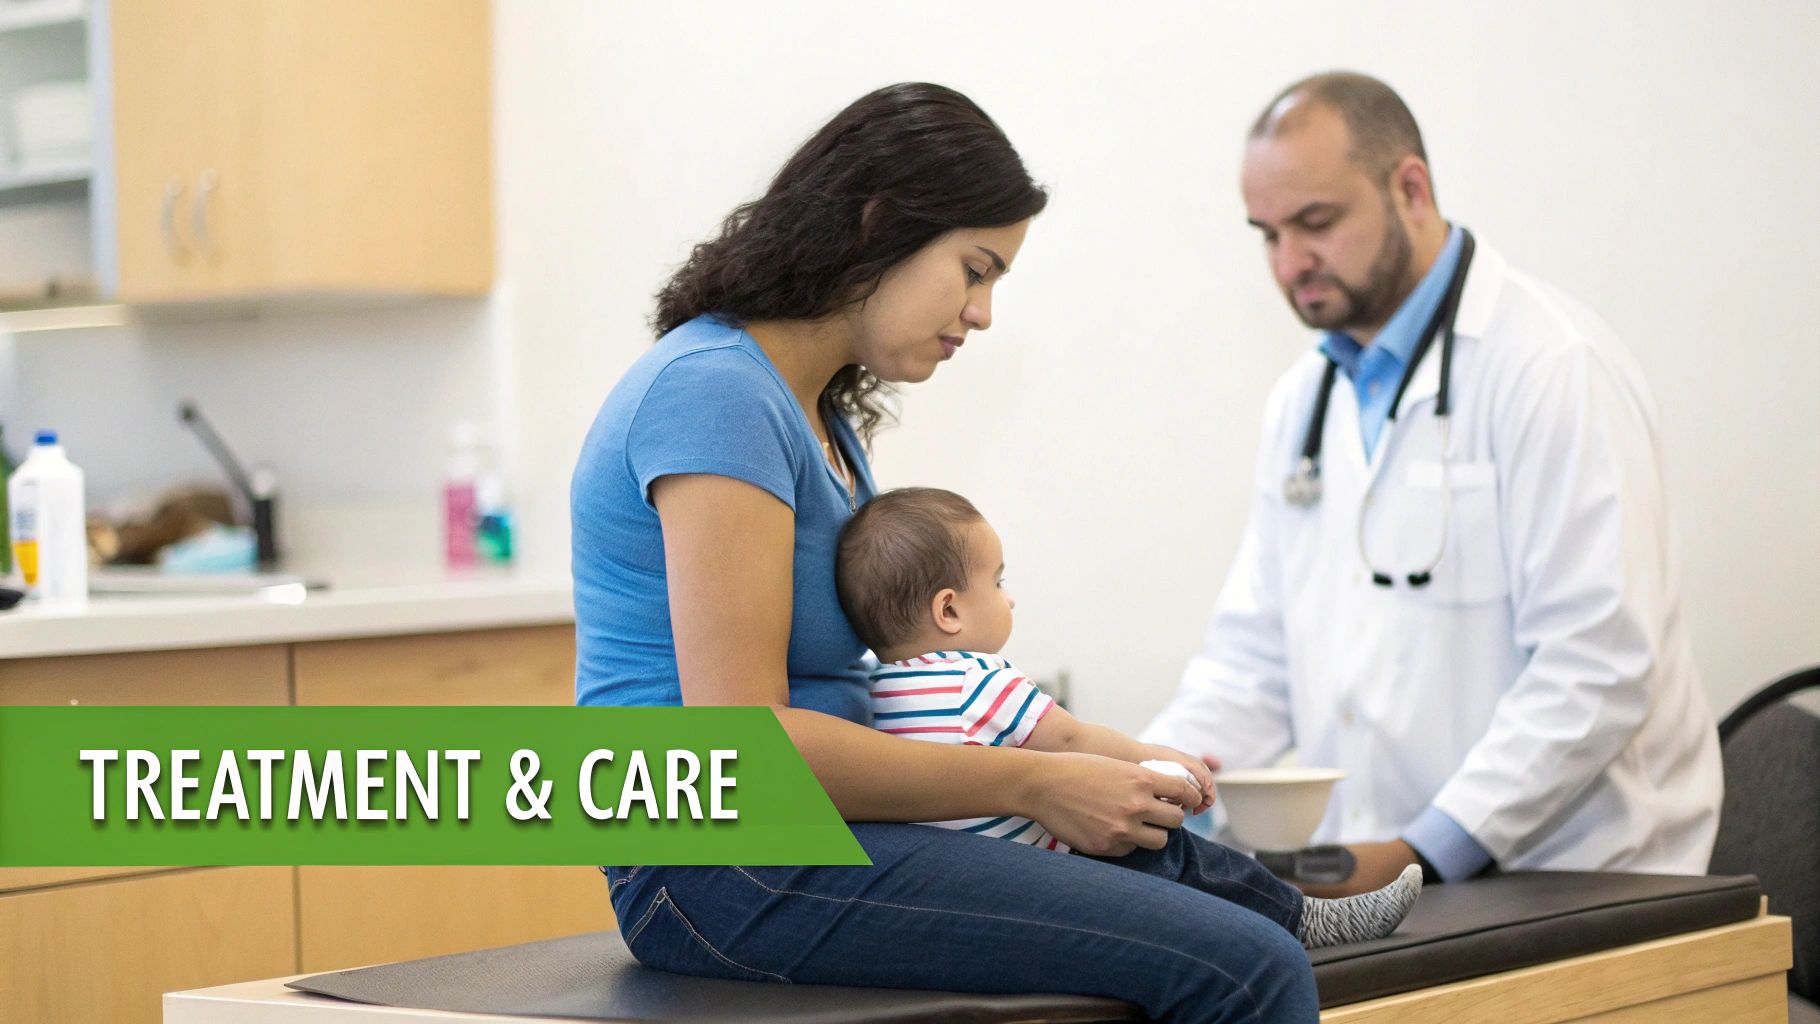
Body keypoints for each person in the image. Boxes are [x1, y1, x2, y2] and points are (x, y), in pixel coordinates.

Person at [572, 83, 1319, 1021]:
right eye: (975, 269)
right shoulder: (716, 394)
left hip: (806, 838)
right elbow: (745, 754)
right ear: (878, 224)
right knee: (1247, 968)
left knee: (1191, 895)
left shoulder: (817, 420)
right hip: (715, 863)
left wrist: (1055, 763)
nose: (984, 311)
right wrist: (1033, 780)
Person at [1141, 71, 1722, 897]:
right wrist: (1145, 785)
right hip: (1393, 880)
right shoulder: (1304, 401)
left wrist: (1420, 849)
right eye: (1266, 234)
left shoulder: (1553, 367)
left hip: (1576, 879)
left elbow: (1595, 666)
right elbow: (1252, 663)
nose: (1288, 262)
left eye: (1316, 223)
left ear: (1409, 187)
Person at [838, 484, 1424, 947]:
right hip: (1036, 873)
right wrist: (1162, 758)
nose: (1010, 597)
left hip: (967, 886)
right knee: (1174, 851)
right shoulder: (975, 679)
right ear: (949, 610)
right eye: (997, 581)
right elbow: (1070, 741)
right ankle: (1305, 919)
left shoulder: (873, 695)